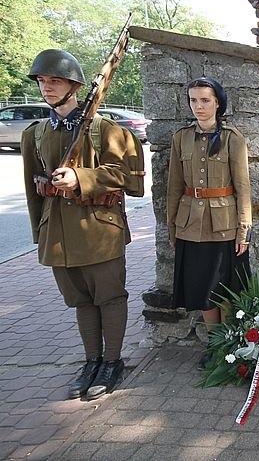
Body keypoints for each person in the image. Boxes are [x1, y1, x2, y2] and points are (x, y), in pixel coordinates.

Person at [21, 49, 131, 401]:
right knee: (81, 300)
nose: (47, 87)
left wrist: (80, 177)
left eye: (55, 81)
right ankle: (92, 360)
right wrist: (40, 233)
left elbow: (122, 175)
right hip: (59, 234)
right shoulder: (36, 134)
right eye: (42, 81)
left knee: (109, 297)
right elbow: (32, 190)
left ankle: (112, 361)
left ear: (74, 85)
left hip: (99, 229)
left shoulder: (104, 130)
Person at [167, 77, 252, 369]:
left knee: (224, 289)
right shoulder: (181, 138)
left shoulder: (232, 138)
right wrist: (172, 228)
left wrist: (244, 230)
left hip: (224, 224)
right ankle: (215, 345)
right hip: (191, 224)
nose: (198, 106)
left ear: (217, 102)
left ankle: (229, 343)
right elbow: (174, 187)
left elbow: (243, 188)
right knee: (204, 290)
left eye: (205, 100)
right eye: (193, 100)